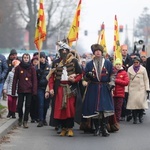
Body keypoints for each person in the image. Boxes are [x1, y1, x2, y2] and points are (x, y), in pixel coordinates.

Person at [48, 42, 82, 137]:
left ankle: (70, 128)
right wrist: (51, 88)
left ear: (68, 51)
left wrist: (74, 79)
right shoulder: (55, 62)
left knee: (70, 109)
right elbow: (51, 77)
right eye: (62, 50)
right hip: (59, 88)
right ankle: (63, 128)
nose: (64, 52)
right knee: (60, 109)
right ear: (59, 52)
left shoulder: (74, 61)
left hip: (70, 89)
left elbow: (80, 74)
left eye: (65, 50)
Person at [82, 44, 114, 137]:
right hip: (93, 88)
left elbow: (112, 74)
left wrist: (112, 83)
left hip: (105, 88)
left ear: (102, 52)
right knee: (94, 109)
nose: (98, 52)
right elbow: (84, 76)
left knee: (105, 109)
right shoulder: (89, 64)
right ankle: (97, 128)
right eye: (96, 51)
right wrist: (87, 76)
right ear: (94, 53)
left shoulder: (108, 63)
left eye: (99, 51)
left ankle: (104, 129)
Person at [12, 53, 37, 128]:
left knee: (28, 106)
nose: (26, 59)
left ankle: (25, 121)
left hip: (29, 90)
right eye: (24, 57)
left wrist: (34, 91)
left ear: (29, 59)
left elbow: (34, 80)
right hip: (21, 89)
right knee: (19, 106)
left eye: (27, 58)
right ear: (22, 58)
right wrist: (13, 90)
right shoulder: (18, 68)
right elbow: (15, 79)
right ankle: (20, 117)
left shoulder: (32, 68)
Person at [126, 56, 149, 124]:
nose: (135, 63)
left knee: (141, 104)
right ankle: (135, 118)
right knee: (133, 105)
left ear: (139, 62)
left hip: (141, 89)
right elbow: (127, 80)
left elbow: (146, 79)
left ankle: (140, 116)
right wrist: (126, 90)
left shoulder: (143, 69)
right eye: (134, 62)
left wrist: (147, 88)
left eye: (137, 62)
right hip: (132, 89)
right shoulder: (129, 69)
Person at [36, 52, 51, 127]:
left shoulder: (49, 67)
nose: (42, 59)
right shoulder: (37, 67)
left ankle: (44, 118)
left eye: (43, 57)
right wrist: (37, 73)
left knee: (46, 105)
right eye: (40, 57)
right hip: (39, 88)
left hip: (47, 88)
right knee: (41, 104)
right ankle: (41, 120)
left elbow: (50, 78)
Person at [112, 58, 129, 123]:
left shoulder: (124, 73)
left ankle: (117, 120)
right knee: (112, 108)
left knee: (118, 108)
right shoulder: (112, 72)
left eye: (119, 64)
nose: (118, 65)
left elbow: (126, 82)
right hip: (112, 93)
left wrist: (117, 81)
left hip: (120, 94)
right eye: (117, 64)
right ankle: (112, 120)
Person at [120, 44, 133, 122]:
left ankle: (128, 113)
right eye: (123, 50)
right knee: (122, 98)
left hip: (128, 80)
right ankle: (122, 113)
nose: (124, 52)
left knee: (128, 97)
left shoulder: (130, 59)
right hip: (120, 80)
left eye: (125, 50)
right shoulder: (117, 58)